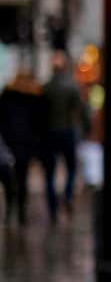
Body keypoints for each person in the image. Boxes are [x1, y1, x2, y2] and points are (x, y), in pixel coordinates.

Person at [0, 68, 48, 225]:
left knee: (9, 178)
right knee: (22, 178)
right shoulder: (35, 97)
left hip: (10, 141)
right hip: (26, 143)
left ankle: (10, 209)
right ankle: (21, 211)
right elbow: (40, 123)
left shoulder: (7, 95)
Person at [42, 51, 86, 219]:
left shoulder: (46, 88)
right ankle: (67, 196)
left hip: (49, 133)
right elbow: (81, 110)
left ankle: (52, 206)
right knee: (71, 168)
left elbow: (39, 113)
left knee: (50, 172)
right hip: (67, 131)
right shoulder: (72, 87)